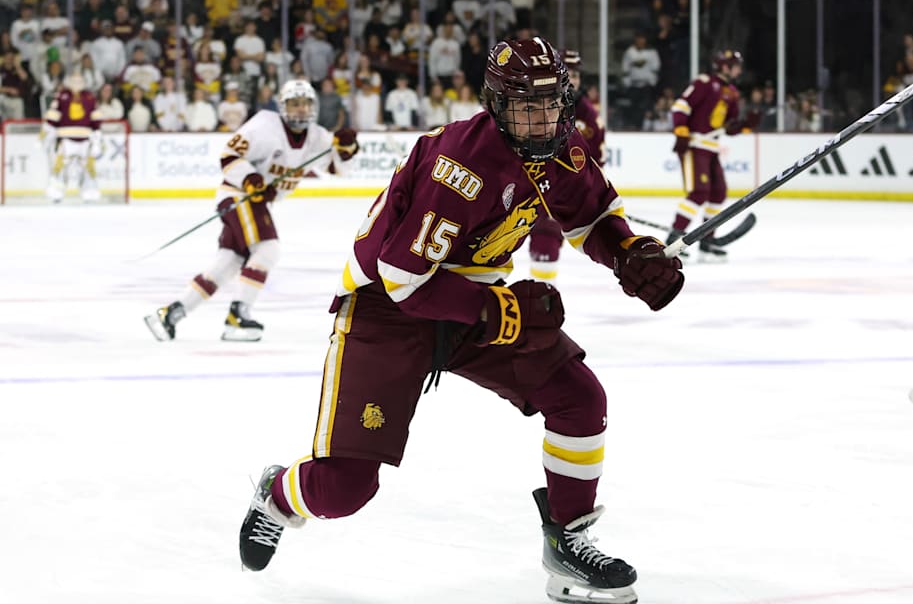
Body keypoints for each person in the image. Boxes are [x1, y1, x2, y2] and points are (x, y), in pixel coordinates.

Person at [235, 37, 684, 604]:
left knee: (579, 399)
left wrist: (629, 252)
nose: (541, 117)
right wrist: (502, 310)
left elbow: (594, 214)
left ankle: (567, 544)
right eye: (525, 104)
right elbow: (403, 279)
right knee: (342, 490)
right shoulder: (461, 167)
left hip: (468, 297)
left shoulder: (559, 147)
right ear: (496, 105)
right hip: (387, 307)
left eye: (550, 102)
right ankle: (277, 492)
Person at [143, 79, 358, 342]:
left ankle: (170, 315)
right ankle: (238, 316)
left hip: (256, 200)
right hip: (238, 194)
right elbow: (229, 155)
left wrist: (346, 151)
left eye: (305, 103)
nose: (301, 109)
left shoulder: (316, 136)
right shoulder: (265, 125)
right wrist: (250, 179)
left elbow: (338, 169)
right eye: (294, 103)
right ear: (283, 106)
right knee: (268, 249)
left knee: (229, 261)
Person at [666, 49, 761, 261]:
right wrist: (681, 130)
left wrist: (745, 126)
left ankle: (707, 240)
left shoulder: (732, 92)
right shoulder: (704, 83)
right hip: (694, 145)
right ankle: (674, 237)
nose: (738, 69)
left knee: (718, 192)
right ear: (725, 66)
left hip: (712, 147)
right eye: (735, 65)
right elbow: (680, 106)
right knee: (699, 192)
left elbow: (729, 127)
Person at [527, 48, 606, 283]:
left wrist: (592, 192)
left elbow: (595, 160)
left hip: (561, 190)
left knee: (547, 235)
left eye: (577, 73)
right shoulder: (532, 104)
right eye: (568, 72)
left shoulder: (588, 115)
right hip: (525, 184)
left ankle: (540, 294)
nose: (574, 78)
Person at [43, 73, 103, 203]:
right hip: (65, 138)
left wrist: (97, 137)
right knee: (60, 166)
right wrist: (46, 133)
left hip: (85, 138)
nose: (76, 83)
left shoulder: (89, 97)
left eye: (79, 80)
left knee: (87, 167)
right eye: (74, 80)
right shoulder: (62, 96)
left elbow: (96, 119)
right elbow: (53, 116)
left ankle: (89, 190)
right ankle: (56, 190)